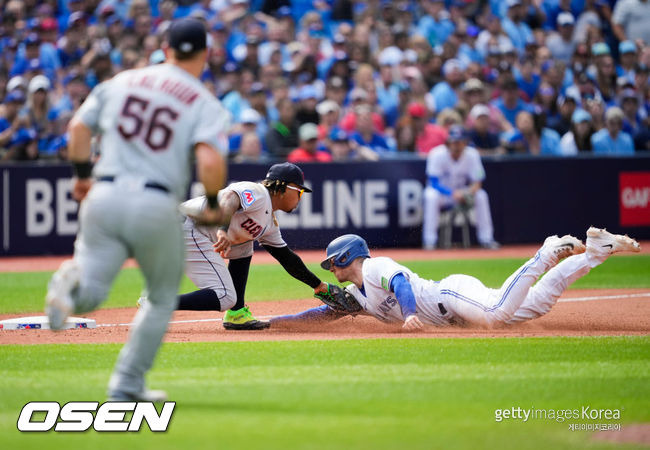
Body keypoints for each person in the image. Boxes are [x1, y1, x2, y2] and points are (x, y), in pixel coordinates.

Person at [44, 18, 230, 402]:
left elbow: (78, 129)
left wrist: (81, 176)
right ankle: (126, 383)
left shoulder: (122, 81)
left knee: (92, 291)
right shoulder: (203, 100)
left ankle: (69, 287)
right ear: (205, 54)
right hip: (155, 202)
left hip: (104, 194)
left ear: (166, 50)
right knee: (162, 298)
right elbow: (210, 162)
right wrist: (212, 203)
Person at [270, 229, 640, 330]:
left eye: (333, 263)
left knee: (496, 316)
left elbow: (399, 282)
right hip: (457, 312)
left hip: (450, 293)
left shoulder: (374, 266)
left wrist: (411, 314)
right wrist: (274, 323)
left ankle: (544, 252)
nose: (331, 270)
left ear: (348, 257)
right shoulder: (357, 292)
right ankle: (594, 252)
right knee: (538, 304)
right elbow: (323, 313)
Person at [156, 163, 331, 330]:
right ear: (283, 188)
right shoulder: (259, 192)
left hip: (189, 228)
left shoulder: (269, 223)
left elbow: (286, 257)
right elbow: (229, 198)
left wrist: (318, 285)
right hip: (186, 226)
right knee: (225, 296)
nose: (300, 198)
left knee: (245, 245)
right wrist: (223, 229)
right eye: (299, 191)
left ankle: (236, 314)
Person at [422, 125, 499, 250]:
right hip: (443, 195)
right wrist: (452, 193)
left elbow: (477, 182)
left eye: (460, 141)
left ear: (465, 142)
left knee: (481, 195)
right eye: (454, 141)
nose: (457, 145)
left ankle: (487, 239)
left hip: (463, 194)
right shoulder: (436, 154)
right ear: (448, 142)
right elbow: (434, 183)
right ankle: (430, 241)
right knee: (430, 196)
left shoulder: (472, 154)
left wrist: (467, 193)